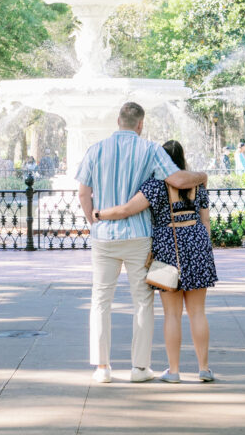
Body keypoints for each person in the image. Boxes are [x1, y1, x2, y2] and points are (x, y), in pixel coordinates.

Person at [77, 102, 207, 385]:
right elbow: (177, 178)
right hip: (138, 236)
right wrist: (202, 176)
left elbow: (84, 193)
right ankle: (139, 368)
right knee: (142, 302)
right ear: (140, 124)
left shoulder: (95, 150)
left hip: (104, 238)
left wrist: (94, 221)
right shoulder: (150, 150)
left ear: (118, 120)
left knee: (101, 300)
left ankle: (102, 367)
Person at [96, 139, 217, 383]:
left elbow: (127, 210)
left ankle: (173, 371)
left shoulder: (155, 186)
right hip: (197, 244)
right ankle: (204, 368)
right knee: (197, 312)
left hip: (167, 248)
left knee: (172, 314)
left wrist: (99, 214)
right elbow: (206, 221)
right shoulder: (197, 185)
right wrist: (204, 247)